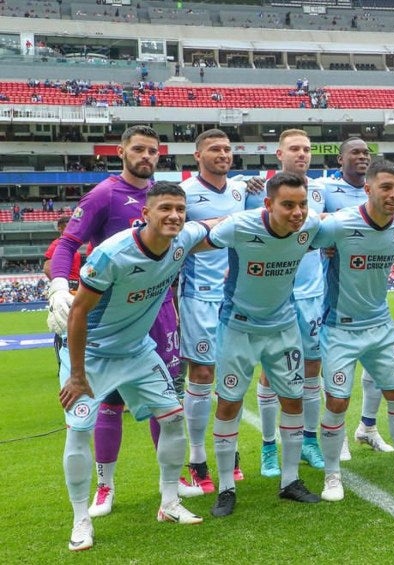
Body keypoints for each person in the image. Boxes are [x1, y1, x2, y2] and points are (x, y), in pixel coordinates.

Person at [47, 125, 195, 518]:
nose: (147, 156)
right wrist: (60, 286)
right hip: (108, 309)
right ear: (121, 151)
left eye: (153, 151)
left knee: (165, 398)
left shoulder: (166, 197)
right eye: (139, 149)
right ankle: (104, 486)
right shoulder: (105, 194)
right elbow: (67, 243)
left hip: (158, 308)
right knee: (109, 402)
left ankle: (172, 486)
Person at [59, 182, 209, 552]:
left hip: (138, 350)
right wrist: (77, 375)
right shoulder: (113, 254)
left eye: (180, 208)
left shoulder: (183, 238)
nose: (174, 215)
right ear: (145, 215)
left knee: (173, 418)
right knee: (79, 431)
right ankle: (81, 520)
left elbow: (217, 226)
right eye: (165, 209)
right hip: (93, 353)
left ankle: (170, 502)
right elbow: (78, 312)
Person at [208, 171, 332, 517]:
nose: (297, 212)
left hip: (284, 328)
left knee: (293, 400)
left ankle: (290, 481)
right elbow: (196, 242)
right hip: (238, 328)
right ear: (268, 204)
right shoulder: (239, 226)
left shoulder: (310, 227)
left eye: (302, 204)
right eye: (288, 205)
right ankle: (226, 487)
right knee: (229, 404)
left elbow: (344, 227)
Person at [313, 159, 394, 501]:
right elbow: (303, 242)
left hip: (380, 326)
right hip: (340, 327)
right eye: (386, 187)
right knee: (337, 401)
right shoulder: (339, 224)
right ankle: (332, 475)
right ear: (367, 189)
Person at [177, 129, 254, 494]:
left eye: (226, 149)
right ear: (198, 155)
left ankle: (231, 449)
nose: (223, 154)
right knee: (203, 373)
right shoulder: (186, 194)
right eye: (214, 149)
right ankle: (196, 457)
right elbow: (176, 242)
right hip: (198, 295)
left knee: (232, 376)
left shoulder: (240, 191)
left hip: (234, 296)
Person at [253, 129, 327, 478]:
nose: (302, 154)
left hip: (312, 295)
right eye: (295, 148)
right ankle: (269, 447)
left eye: (307, 149)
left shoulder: (322, 192)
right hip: (273, 296)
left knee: (312, 368)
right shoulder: (257, 192)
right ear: (278, 153)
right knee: (270, 373)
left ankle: (310, 441)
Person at [321, 137, 394, 457]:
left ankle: (367, 427)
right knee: (339, 373)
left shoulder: (384, 188)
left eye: (367, 152)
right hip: (336, 293)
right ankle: (337, 438)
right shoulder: (324, 189)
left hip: (374, 294)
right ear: (340, 159)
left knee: (379, 372)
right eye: (356, 152)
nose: (363, 156)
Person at [44, 216, 82, 359]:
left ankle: (74, 359)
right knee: (63, 326)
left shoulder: (72, 244)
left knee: (74, 323)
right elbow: (47, 267)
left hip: (76, 286)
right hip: (67, 286)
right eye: (68, 225)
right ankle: (62, 361)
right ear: (60, 228)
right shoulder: (58, 244)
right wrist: (60, 286)